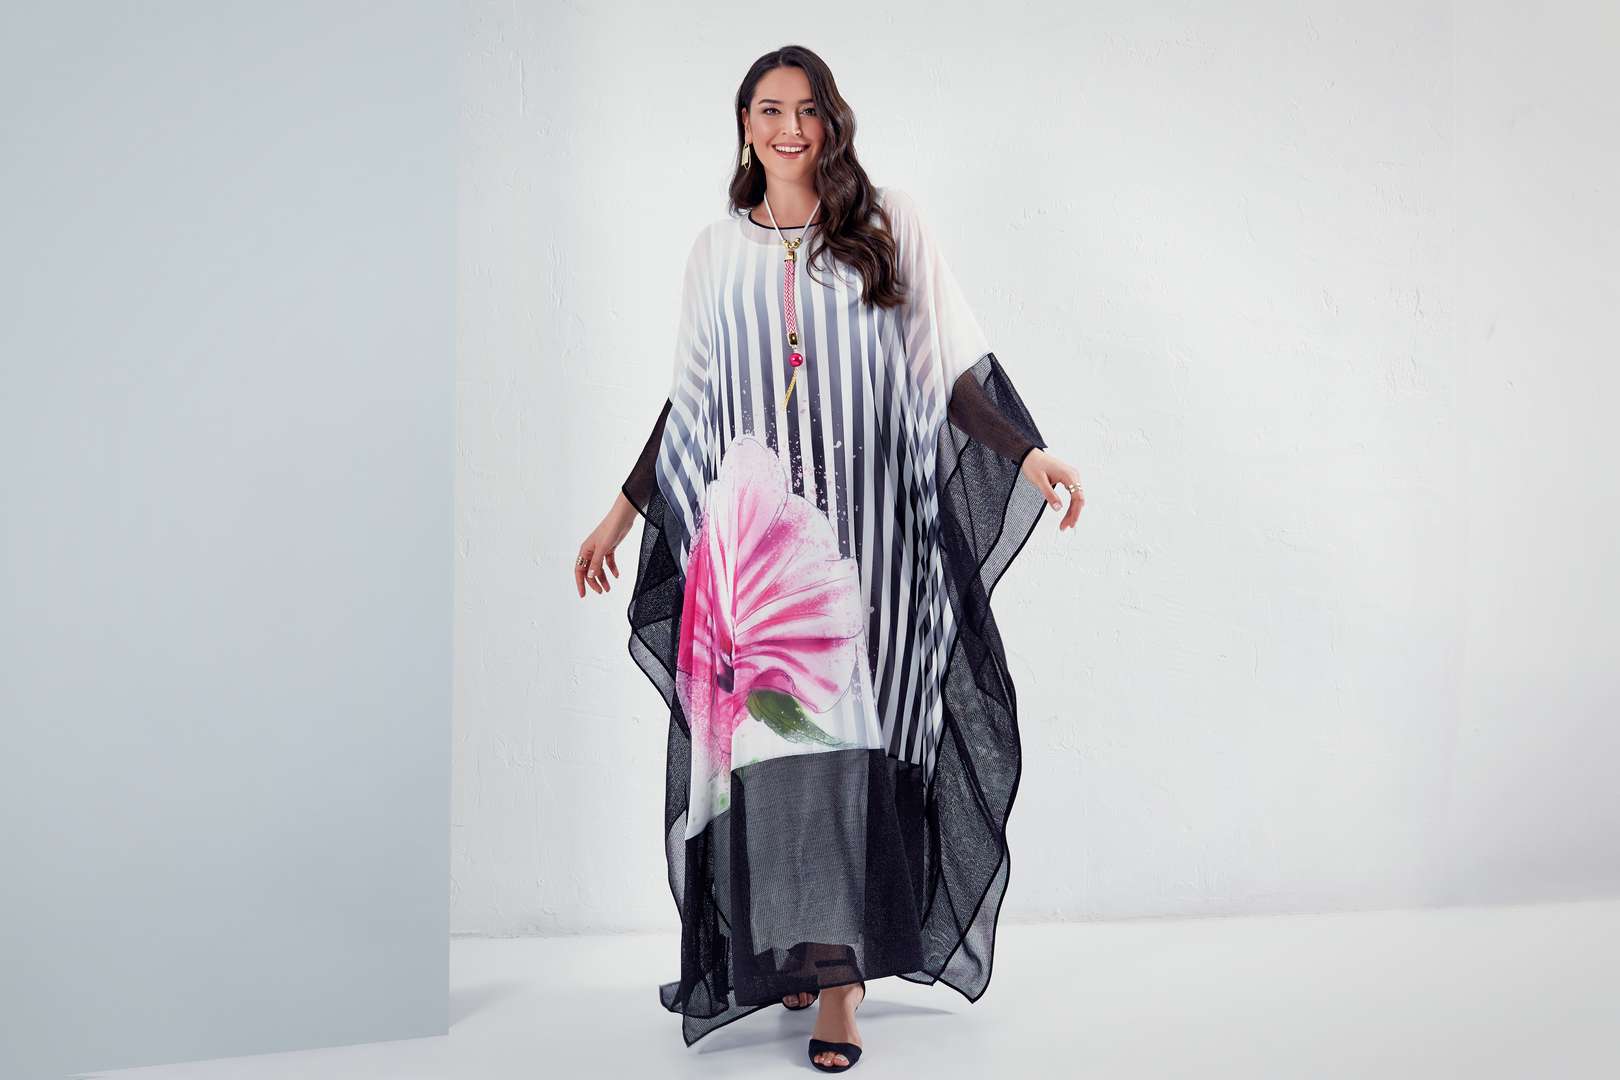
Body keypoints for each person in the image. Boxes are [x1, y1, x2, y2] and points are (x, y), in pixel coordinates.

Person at [573, 44, 1085, 1072]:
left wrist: (1028, 452)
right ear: (745, 124)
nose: (789, 128)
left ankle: (843, 983)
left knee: (860, 747)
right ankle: (803, 954)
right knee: (777, 754)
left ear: (831, 120)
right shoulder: (716, 252)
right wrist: (619, 517)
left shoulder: (887, 225)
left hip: (873, 552)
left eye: (807, 109)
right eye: (769, 109)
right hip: (757, 555)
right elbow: (689, 407)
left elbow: (948, 367)